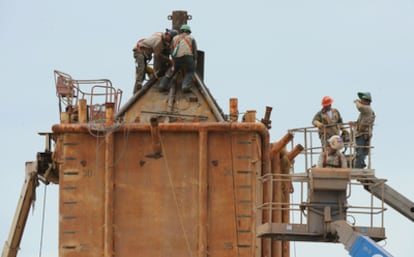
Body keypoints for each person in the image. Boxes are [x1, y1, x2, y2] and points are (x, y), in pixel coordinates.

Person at [132, 29, 178, 94]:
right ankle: (138, 86)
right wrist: (169, 61)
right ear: (169, 35)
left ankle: (138, 88)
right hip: (140, 52)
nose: (170, 41)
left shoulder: (160, 35)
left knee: (144, 70)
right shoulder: (159, 40)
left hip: (144, 53)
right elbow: (157, 54)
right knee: (141, 69)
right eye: (171, 38)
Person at [158, 24, 198, 93]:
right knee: (190, 71)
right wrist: (195, 61)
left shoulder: (174, 38)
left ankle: (162, 85)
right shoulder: (191, 38)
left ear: (181, 31)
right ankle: (185, 86)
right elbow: (195, 51)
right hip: (188, 57)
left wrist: (173, 63)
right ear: (188, 32)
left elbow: (172, 51)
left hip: (177, 58)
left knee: (172, 70)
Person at [352, 92, 375, 168]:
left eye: (363, 100)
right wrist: (354, 123)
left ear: (367, 101)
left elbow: (360, 107)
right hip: (363, 133)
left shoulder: (367, 108)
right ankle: (361, 164)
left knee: (360, 152)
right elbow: (362, 122)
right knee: (361, 151)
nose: (361, 101)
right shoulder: (365, 112)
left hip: (362, 134)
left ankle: (358, 167)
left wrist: (357, 102)